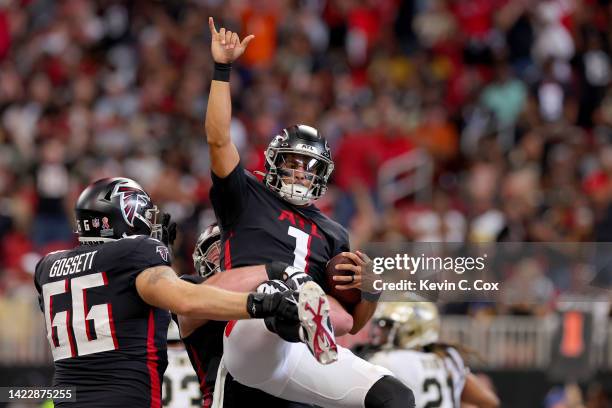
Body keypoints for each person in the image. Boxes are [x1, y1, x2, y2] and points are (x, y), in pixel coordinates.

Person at [202, 17, 415, 407]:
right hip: (251, 333)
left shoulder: (333, 232)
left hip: (303, 352)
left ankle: (303, 307)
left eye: (309, 166)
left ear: (322, 176)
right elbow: (218, 139)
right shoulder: (248, 195)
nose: (300, 171)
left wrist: (370, 290)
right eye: (293, 162)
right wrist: (222, 70)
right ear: (273, 163)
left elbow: (354, 323)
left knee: (395, 397)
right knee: (285, 286)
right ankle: (297, 299)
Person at [33, 177, 330, 407]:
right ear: (126, 214)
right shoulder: (136, 252)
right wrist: (263, 304)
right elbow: (185, 299)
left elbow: (112, 299)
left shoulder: (48, 267)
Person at [367, 302, 500, 408]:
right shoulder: (447, 358)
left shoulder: (385, 360)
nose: (381, 334)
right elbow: (490, 401)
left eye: (389, 329)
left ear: (413, 331)